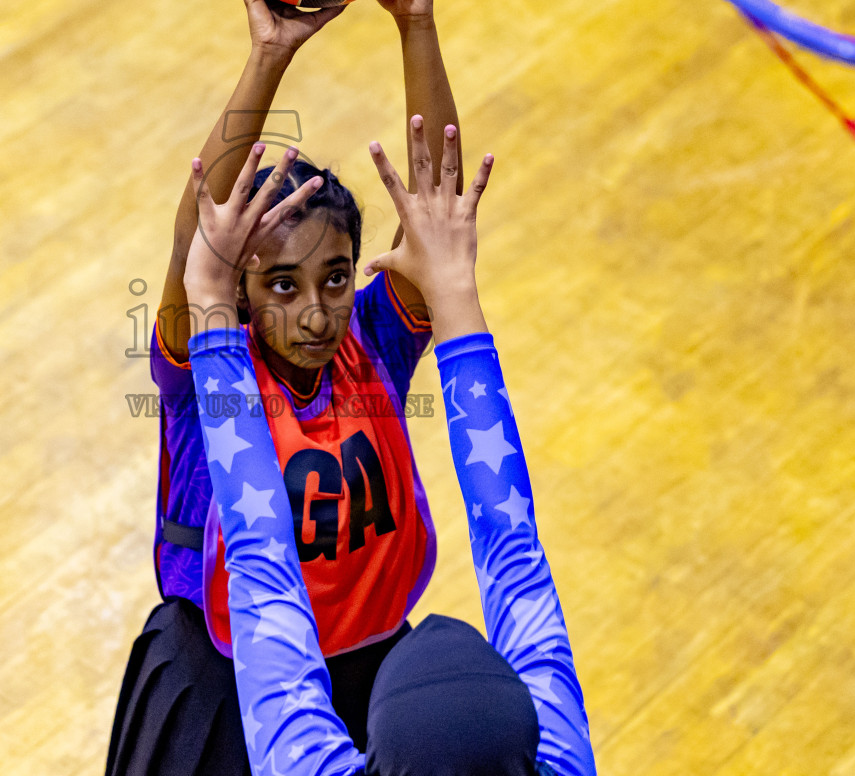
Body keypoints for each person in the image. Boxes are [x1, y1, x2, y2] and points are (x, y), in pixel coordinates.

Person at [108, 0, 463, 776]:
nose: (314, 310)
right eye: (281, 284)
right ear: (238, 286)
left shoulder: (372, 343)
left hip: (375, 679)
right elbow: (196, 238)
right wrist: (269, 56)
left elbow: (435, 201)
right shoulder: (205, 374)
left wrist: (415, 23)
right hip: (223, 694)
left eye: (335, 278)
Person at [178, 121, 596, 776]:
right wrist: (452, 288)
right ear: (534, 743)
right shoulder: (563, 764)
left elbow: (261, 553)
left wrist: (204, 293)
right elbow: (512, 546)